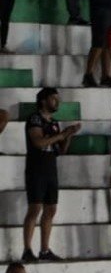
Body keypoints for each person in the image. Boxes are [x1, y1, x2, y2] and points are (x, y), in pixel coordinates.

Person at [23, 88, 79, 262]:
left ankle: (45, 249)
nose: (57, 102)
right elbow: (39, 142)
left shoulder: (54, 123)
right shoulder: (34, 119)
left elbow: (61, 150)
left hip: (50, 168)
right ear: (43, 101)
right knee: (35, 208)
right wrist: (61, 134)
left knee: (51, 208)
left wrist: (68, 135)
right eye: (53, 99)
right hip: (36, 168)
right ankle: (27, 249)